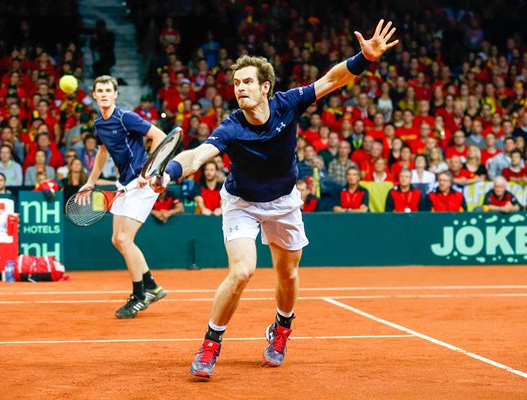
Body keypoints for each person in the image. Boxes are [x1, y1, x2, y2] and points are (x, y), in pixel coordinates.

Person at [148, 20, 398, 378]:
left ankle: (281, 329)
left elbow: (331, 80)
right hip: (242, 203)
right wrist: (169, 172)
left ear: (265, 87)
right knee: (242, 271)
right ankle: (211, 343)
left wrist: (364, 58)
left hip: (283, 202)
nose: (240, 88)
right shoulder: (232, 126)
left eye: (247, 81)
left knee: (289, 275)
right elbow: (198, 155)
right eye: (236, 83)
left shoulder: (287, 104)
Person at [80, 75, 169, 319]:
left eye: (109, 90)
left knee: (124, 238)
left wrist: (149, 171)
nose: (105, 94)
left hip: (142, 184)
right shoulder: (99, 123)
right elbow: (101, 151)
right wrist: (90, 180)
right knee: (116, 240)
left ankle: (139, 296)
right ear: (95, 95)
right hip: (125, 183)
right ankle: (152, 285)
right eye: (100, 90)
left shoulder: (125, 117)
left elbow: (160, 136)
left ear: (115, 94)